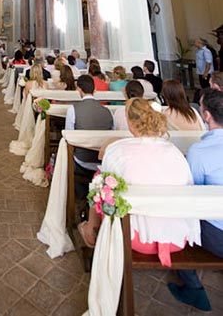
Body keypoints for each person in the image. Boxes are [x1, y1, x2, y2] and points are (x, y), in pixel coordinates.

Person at [79, 98, 200, 265]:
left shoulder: (118, 151)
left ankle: (92, 229)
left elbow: (102, 185)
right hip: (179, 237)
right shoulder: (175, 153)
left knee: (100, 180)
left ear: (130, 123)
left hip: (134, 236)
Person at [168, 89, 223, 311]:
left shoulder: (199, 151)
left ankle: (193, 288)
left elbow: (191, 197)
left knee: (174, 221)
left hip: (218, 234)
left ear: (207, 115)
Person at [65, 75, 113, 193]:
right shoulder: (108, 111)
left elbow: (68, 137)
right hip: (102, 161)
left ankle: (79, 193)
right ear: (94, 89)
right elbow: (111, 137)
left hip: (82, 160)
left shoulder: (73, 109)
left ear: (79, 89)